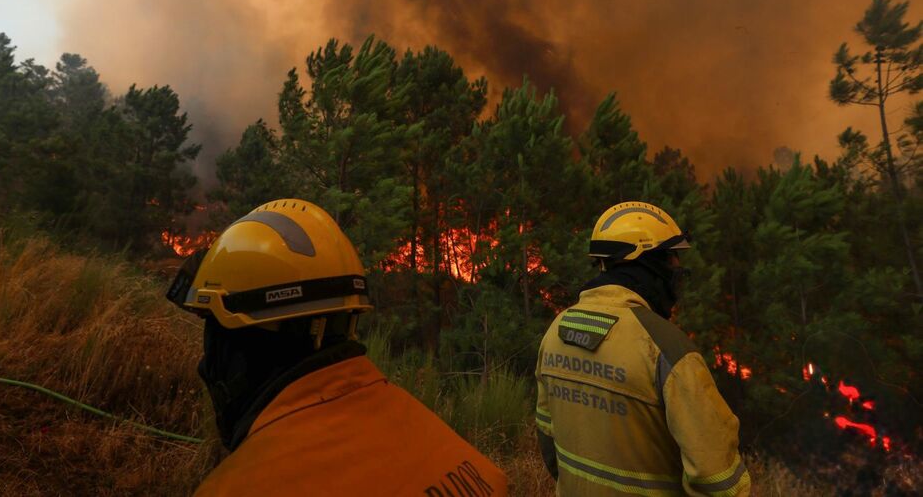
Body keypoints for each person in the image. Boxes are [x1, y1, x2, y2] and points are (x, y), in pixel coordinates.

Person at [167, 198, 508, 497]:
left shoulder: (237, 488)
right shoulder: (468, 463)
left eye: (213, 326)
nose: (207, 360)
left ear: (246, 340)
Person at [535, 202, 750, 497]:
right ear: (648, 262)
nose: (676, 267)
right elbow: (720, 482)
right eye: (671, 257)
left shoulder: (557, 331)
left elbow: (548, 441)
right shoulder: (667, 349)